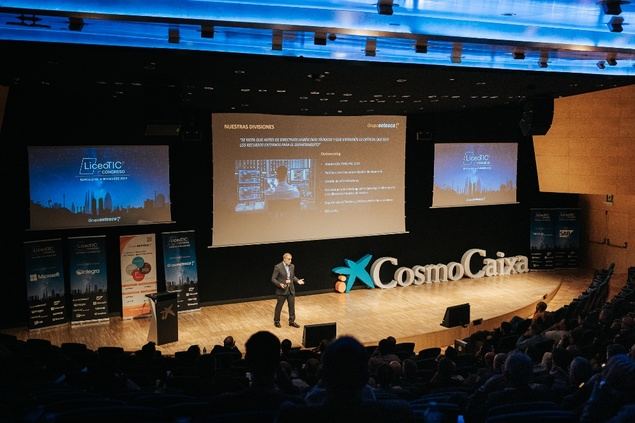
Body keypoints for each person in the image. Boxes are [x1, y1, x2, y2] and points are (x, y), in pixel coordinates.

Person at [272, 252, 304, 328]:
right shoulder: (278, 267)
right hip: (282, 290)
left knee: (291, 306)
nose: (290, 261)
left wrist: (298, 280)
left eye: (291, 259)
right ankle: (276, 321)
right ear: (284, 259)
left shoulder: (292, 266)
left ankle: (291, 321)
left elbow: (292, 276)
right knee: (279, 307)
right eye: (289, 259)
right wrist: (280, 284)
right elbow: (273, 279)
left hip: (290, 290)